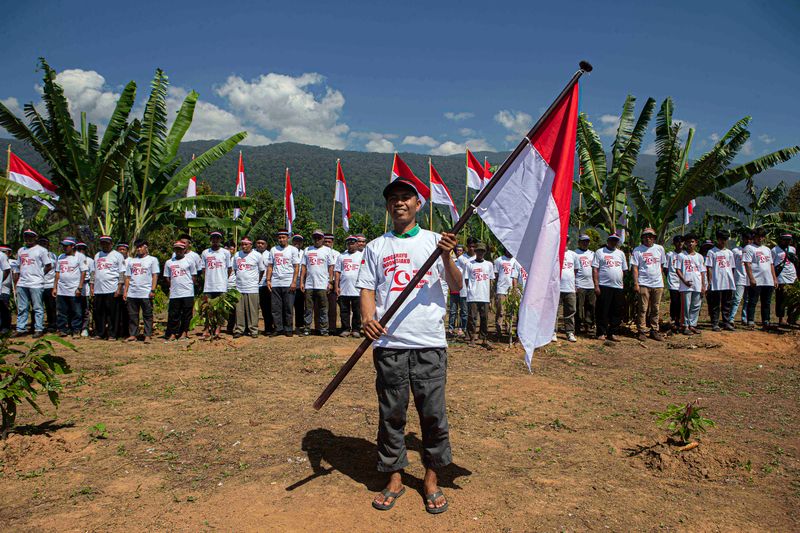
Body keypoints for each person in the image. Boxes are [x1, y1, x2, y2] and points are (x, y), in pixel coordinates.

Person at [357, 176, 461, 514]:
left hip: (429, 343)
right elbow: (368, 288)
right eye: (393, 198)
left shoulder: (437, 241)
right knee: (392, 414)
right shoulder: (376, 246)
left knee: (432, 414)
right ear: (388, 207)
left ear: (418, 204)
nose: (399, 202)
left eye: (406, 197)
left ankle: (431, 477)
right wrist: (368, 318)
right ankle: (395, 475)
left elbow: (457, 286)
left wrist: (446, 258)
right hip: (389, 345)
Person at [14, 229, 53, 338]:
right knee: (22, 307)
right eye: (26, 236)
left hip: (36, 283)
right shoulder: (21, 250)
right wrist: (17, 281)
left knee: (37, 307)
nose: (28, 239)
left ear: (35, 238)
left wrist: (40, 274)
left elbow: (48, 265)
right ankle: (21, 328)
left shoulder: (41, 250)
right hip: (22, 283)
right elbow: (17, 266)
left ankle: (38, 328)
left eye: (31, 237)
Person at [630, 228, 667, 341]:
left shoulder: (660, 249)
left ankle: (654, 330)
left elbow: (661, 266)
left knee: (655, 308)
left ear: (654, 238)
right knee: (643, 308)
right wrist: (636, 283)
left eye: (651, 236)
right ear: (642, 238)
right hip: (643, 283)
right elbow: (635, 268)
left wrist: (661, 281)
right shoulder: (638, 250)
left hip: (657, 283)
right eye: (646, 236)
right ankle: (641, 330)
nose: (648, 238)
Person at [592, 233, 627, 342]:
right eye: (612, 240)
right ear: (608, 241)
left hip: (618, 287)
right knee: (602, 310)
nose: (613, 242)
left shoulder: (621, 254)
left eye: (616, 240)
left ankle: (613, 333)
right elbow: (595, 269)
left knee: (616, 310)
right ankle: (601, 332)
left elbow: (624, 270)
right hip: (604, 286)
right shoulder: (600, 252)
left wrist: (620, 281)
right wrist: (596, 285)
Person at [123, 239, 160, 343]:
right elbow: (127, 277)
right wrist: (126, 291)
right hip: (132, 293)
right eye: (137, 247)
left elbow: (155, 275)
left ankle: (147, 335)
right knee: (133, 315)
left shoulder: (152, 260)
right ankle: (133, 335)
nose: (139, 249)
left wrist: (152, 290)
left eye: (141, 246)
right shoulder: (132, 261)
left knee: (147, 315)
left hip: (146, 292)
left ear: (146, 247)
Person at [300, 229, 335, 336]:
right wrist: (302, 282)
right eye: (315, 237)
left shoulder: (327, 250)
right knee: (308, 308)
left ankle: (324, 329)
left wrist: (330, 282)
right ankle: (307, 329)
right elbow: (304, 267)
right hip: (309, 284)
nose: (317, 240)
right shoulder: (307, 250)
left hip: (322, 284)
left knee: (323, 308)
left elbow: (331, 267)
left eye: (319, 238)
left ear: (323, 239)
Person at [267, 229, 301, 337]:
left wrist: (294, 282)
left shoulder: (293, 250)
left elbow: (296, 267)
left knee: (288, 307)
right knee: (276, 308)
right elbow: (270, 266)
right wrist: (268, 280)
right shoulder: (273, 250)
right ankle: (278, 328)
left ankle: (288, 328)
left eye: (283, 237)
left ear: (287, 238)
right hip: (276, 282)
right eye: (280, 237)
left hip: (288, 282)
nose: (281, 239)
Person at [91, 236, 126, 340]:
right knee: (99, 313)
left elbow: (121, 273)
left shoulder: (117, 255)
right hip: (98, 289)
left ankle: (112, 334)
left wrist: (119, 288)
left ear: (111, 244)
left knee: (113, 314)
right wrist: (92, 286)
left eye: (106, 243)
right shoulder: (97, 255)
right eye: (102, 243)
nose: (104, 245)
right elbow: (93, 272)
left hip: (112, 289)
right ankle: (99, 333)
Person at [743, 228, 778, 329]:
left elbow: (771, 265)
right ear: (754, 237)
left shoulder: (767, 249)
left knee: (766, 302)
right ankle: (750, 321)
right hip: (756, 279)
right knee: (753, 301)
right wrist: (751, 278)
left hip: (768, 280)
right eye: (758, 236)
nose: (760, 238)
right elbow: (747, 264)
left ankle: (766, 321)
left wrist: (774, 279)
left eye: (762, 236)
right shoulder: (749, 248)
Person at [53, 237, 88, 337]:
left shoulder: (80, 256)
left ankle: (76, 330)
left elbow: (83, 272)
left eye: (66, 246)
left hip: (74, 289)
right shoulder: (61, 257)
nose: (64, 248)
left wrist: (80, 287)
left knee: (76, 311)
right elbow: (57, 273)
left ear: (73, 246)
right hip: (62, 289)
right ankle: (63, 329)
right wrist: (55, 287)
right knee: (62, 311)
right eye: (63, 245)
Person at [201, 231, 233, 337]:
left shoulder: (225, 253)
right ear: (211, 239)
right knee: (207, 308)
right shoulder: (205, 253)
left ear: (220, 240)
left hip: (221, 285)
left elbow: (229, 268)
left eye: (217, 238)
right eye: (213, 238)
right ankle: (207, 328)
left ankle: (218, 328)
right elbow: (204, 269)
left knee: (220, 309)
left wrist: (224, 279)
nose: (215, 240)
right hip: (208, 286)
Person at [164, 241, 198, 341]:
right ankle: (173, 333)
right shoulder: (169, 262)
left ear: (184, 250)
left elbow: (194, 276)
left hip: (187, 292)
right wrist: (173, 286)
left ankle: (184, 332)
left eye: (181, 249)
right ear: (174, 250)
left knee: (187, 314)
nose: (179, 251)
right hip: (175, 293)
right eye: (177, 249)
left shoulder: (189, 261)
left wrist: (189, 286)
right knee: (174, 314)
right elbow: (167, 277)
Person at [705, 230, 736, 331]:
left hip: (727, 281)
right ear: (717, 239)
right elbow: (709, 267)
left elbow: (732, 267)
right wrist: (710, 281)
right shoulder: (712, 252)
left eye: (725, 239)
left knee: (727, 303)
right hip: (716, 281)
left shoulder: (729, 253)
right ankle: (715, 323)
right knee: (715, 304)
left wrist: (732, 280)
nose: (723, 241)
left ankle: (726, 322)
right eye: (721, 239)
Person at [233, 237, 263, 338]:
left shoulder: (257, 255)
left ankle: (253, 329)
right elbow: (235, 269)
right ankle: (239, 329)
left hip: (252, 287)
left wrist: (256, 281)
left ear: (251, 245)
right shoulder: (237, 255)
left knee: (253, 310)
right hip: (239, 287)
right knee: (239, 310)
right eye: (242, 244)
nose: (244, 246)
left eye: (246, 244)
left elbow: (261, 270)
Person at [464, 242, 494, 347]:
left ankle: (484, 338)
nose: (480, 253)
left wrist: (490, 296)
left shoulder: (489, 264)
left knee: (484, 318)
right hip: (473, 295)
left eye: (482, 251)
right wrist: (471, 290)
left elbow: (490, 281)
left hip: (484, 295)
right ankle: (472, 338)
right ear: (475, 252)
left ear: (484, 252)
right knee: (472, 318)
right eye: (478, 251)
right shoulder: (469, 264)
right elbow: (466, 280)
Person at [676, 234, 706, 335]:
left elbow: (702, 272)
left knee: (696, 305)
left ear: (696, 243)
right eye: (688, 242)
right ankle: (685, 325)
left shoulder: (700, 257)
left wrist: (703, 285)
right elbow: (678, 270)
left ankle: (693, 324)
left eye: (692, 242)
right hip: (686, 286)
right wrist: (684, 281)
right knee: (686, 306)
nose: (690, 244)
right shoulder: (681, 255)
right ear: (685, 243)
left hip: (697, 284)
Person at [334, 235, 363, 337]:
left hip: (357, 289)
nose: (351, 245)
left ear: (356, 244)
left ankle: (356, 329)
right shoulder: (341, 256)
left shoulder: (361, 256)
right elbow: (337, 272)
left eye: (353, 243)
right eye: (349, 243)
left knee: (357, 311)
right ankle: (345, 329)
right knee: (344, 311)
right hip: (344, 288)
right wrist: (336, 286)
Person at [772, 232, 798, 326]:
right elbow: (772, 264)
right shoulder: (774, 250)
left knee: (792, 299)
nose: (787, 242)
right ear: (781, 240)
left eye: (789, 240)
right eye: (785, 240)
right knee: (781, 299)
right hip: (781, 277)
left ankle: (791, 318)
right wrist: (775, 278)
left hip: (792, 276)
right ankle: (781, 319)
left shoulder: (792, 249)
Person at [493, 248, 520, 337]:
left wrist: (515, 290)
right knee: (500, 311)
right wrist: (494, 290)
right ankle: (498, 329)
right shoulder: (499, 260)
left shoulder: (516, 261)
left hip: (512, 290)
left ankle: (508, 328)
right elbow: (495, 277)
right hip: (501, 289)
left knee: (510, 311)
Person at [556, 238, 578, 342]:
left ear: (569, 242)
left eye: (567, 240)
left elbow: (576, 270)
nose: (565, 241)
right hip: (556, 288)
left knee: (570, 311)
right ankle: (553, 332)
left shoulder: (573, 255)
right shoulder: (555, 253)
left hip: (570, 288)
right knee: (554, 311)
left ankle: (570, 332)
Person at [454, 238, 477, 338]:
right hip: (464, 288)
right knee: (464, 311)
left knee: (473, 313)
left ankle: (472, 331)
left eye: (474, 246)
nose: (472, 248)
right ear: (467, 247)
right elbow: (462, 269)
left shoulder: (478, 257)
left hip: (476, 289)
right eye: (470, 246)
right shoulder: (461, 258)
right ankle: (463, 329)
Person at [574, 234, 596, 336]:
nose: (585, 243)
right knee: (579, 306)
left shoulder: (593, 254)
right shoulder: (575, 254)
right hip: (580, 284)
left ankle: (589, 325)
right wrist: (574, 284)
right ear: (579, 242)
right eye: (583, 241)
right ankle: (578, 326)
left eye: (587, 241)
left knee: (591, 306)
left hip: (591, 285)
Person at [729, 231, 752, 326]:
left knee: (747, 300)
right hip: (739, 278)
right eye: (746, 239)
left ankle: (744, 318)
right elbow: (732, 266)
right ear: (742, 239)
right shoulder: (735, 251)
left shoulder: (752, 250)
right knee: (737, 299)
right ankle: (731, 318)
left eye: (750, 239)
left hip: (749, 278)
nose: (748, 241)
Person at [38, 236, 58, 332]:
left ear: (48, 245)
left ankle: (52, 324)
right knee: (37, 306)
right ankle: (37, 325)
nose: (43, 245)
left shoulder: (53, 256)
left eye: (45, 243)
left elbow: (57, 271)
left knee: (51, 306)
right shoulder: (35, 254)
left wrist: (56, 286)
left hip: (50, 285)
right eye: (41, 243)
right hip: (37, 284)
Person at [255, 236, 274, 335]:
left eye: (262, 243)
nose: (260, 245)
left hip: (265, 285)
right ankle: (251, 328)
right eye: (258, 243)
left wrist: (269, 281)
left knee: (267, 308)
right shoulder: (252, 253)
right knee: (253, 308)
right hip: (252, 285)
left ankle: (268, 328)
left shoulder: (269, 254)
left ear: (266, 245)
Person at [665, 235, 685, 333]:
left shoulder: (685, 255)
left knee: (682, 302)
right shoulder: (670, 255)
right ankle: (674, 319)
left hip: (683, 281)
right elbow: (666, 268)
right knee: (675, 300)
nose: (680, 244)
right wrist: (668, 276)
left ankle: (680, 320)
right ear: (674, 243)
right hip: (673, 280)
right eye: (677, 242)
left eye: (681, 242)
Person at [447, 244, 467, 336]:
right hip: (453, 289)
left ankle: (461, 328)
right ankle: (451, 329)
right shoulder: (453, 262)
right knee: (453, 310)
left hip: (463, 290)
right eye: (457, 250)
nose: (459, 252)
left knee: (463, 310)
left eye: (460, 250)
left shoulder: (465, 262)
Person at [75, 241, 93, 337]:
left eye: (83, 249)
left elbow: (92, 274)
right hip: (73, 286)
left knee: (85, 309)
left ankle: (85, 328)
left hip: (85, 286)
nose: (81, 251)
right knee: (75, 309)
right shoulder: (73, 259)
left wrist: (92, 288)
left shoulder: (89, 260)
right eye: (79, 249)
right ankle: (75, 328)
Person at [324, 233, 340, 332]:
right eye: (325, 241)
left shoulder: (337, 254)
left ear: (332, 242)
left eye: (329, 242)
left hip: (332, 282)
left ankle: (332, 327)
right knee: (320, 306)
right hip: (320, 281)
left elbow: (337, 270)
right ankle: (321, 327)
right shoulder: (319, 251)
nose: (327, 243)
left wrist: (335, 284)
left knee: (332, 307)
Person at [115, 242, 131, 338]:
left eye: (123, 249)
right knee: (117, 313)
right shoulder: (114, 260)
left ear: (127, 251)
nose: (121, 251)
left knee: (127, 313)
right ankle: (117, 332)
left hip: (127, 291)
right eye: (119, 249)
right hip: (116, 290)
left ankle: (126, 332)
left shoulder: (131, 261)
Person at [292, 234, 306, 331]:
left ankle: (299, 325)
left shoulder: (304, 253)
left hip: (300, 282)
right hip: (289, 281)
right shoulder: (288, 251)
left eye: (299, 241)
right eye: (295, 241)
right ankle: (287, 326)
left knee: (300, 305)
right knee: (288, 306)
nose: (297, 243)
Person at [225, 241, 238, 335]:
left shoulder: (236, 259)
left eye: (231, 248)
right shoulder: (221, 258)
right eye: (227, 248)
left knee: (233, 309)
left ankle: (230, 327)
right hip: (221, 287)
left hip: (233, 286)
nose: (229, 250)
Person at [0, 245, 12, 333]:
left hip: (4, 289)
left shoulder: (2, 256)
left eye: (5, 251)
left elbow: (7, 270)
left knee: (3, 308)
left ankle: (5, 327)